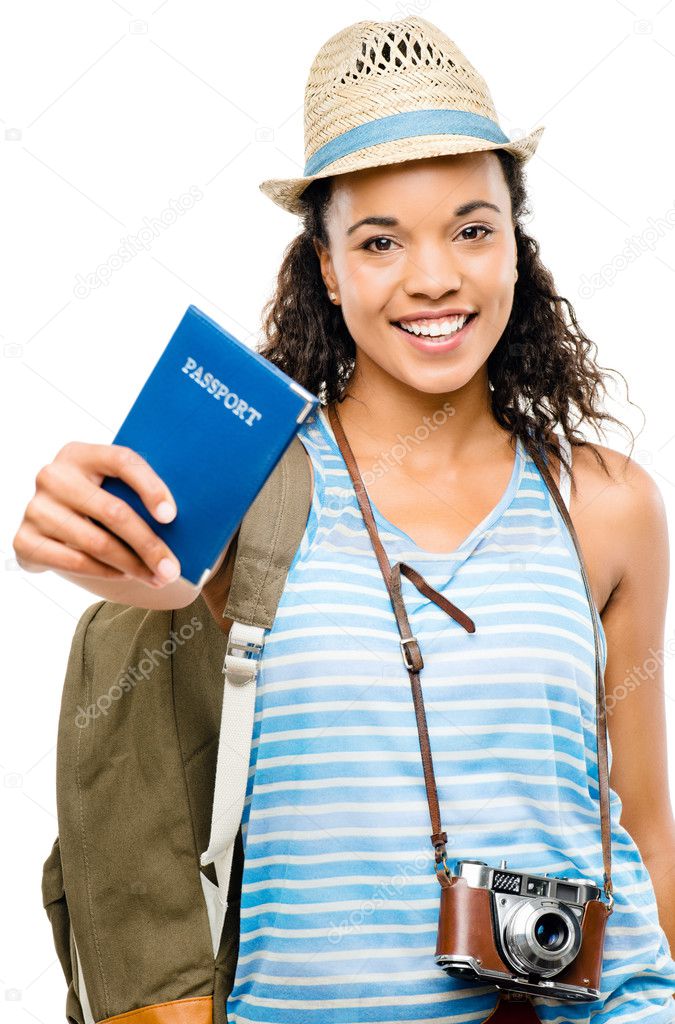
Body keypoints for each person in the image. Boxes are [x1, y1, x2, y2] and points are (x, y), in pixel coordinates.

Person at [13, 14, 675, 1024]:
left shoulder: (606, 504)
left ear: (514, 241)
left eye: (471, 226)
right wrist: (77, 539)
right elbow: (139, 583)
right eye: (379, 240)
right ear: (325, 266)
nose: (434, 276)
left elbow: (645, 829)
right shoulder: (253, 490)